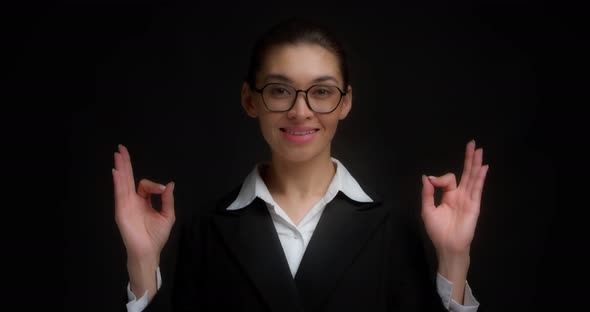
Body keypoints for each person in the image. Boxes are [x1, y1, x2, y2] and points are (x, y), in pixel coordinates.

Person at [112, 18, 489, 312]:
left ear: (345, 102)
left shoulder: (393, 231)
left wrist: (454, 257)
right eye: (280, 90)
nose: (300, 111)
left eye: (321, 92)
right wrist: (142, 261)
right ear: (249, 100)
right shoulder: (206, 230)